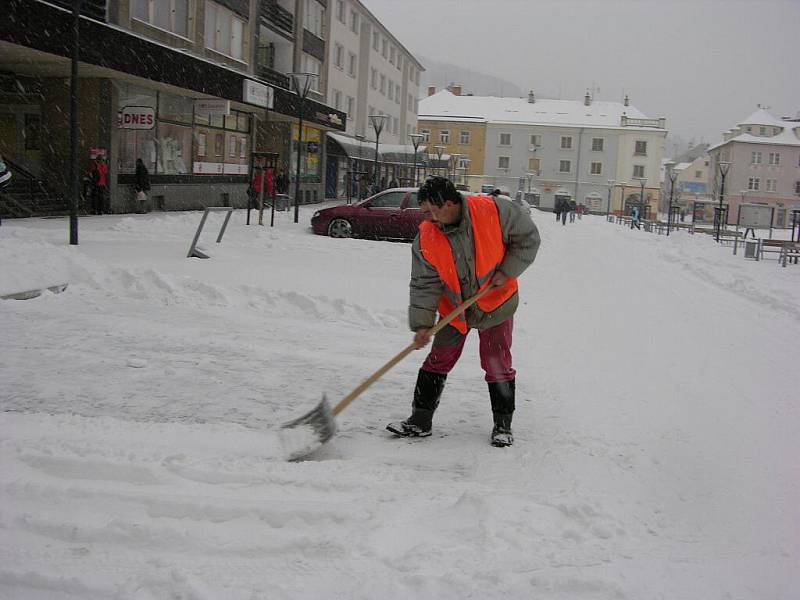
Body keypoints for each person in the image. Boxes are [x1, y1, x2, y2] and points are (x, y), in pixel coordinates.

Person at [386, 176, 541, 447]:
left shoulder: (495, 211)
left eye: (430, 212)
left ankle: (502, 426)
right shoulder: (427, 235)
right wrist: (422, 325)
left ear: (447, 204)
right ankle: (420, 420)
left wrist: (508, 270)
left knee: (497, 362)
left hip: (495, 302)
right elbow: (424, 283)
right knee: (438, 360)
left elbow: (528, 239)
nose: (427, 219)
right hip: (454, 310)